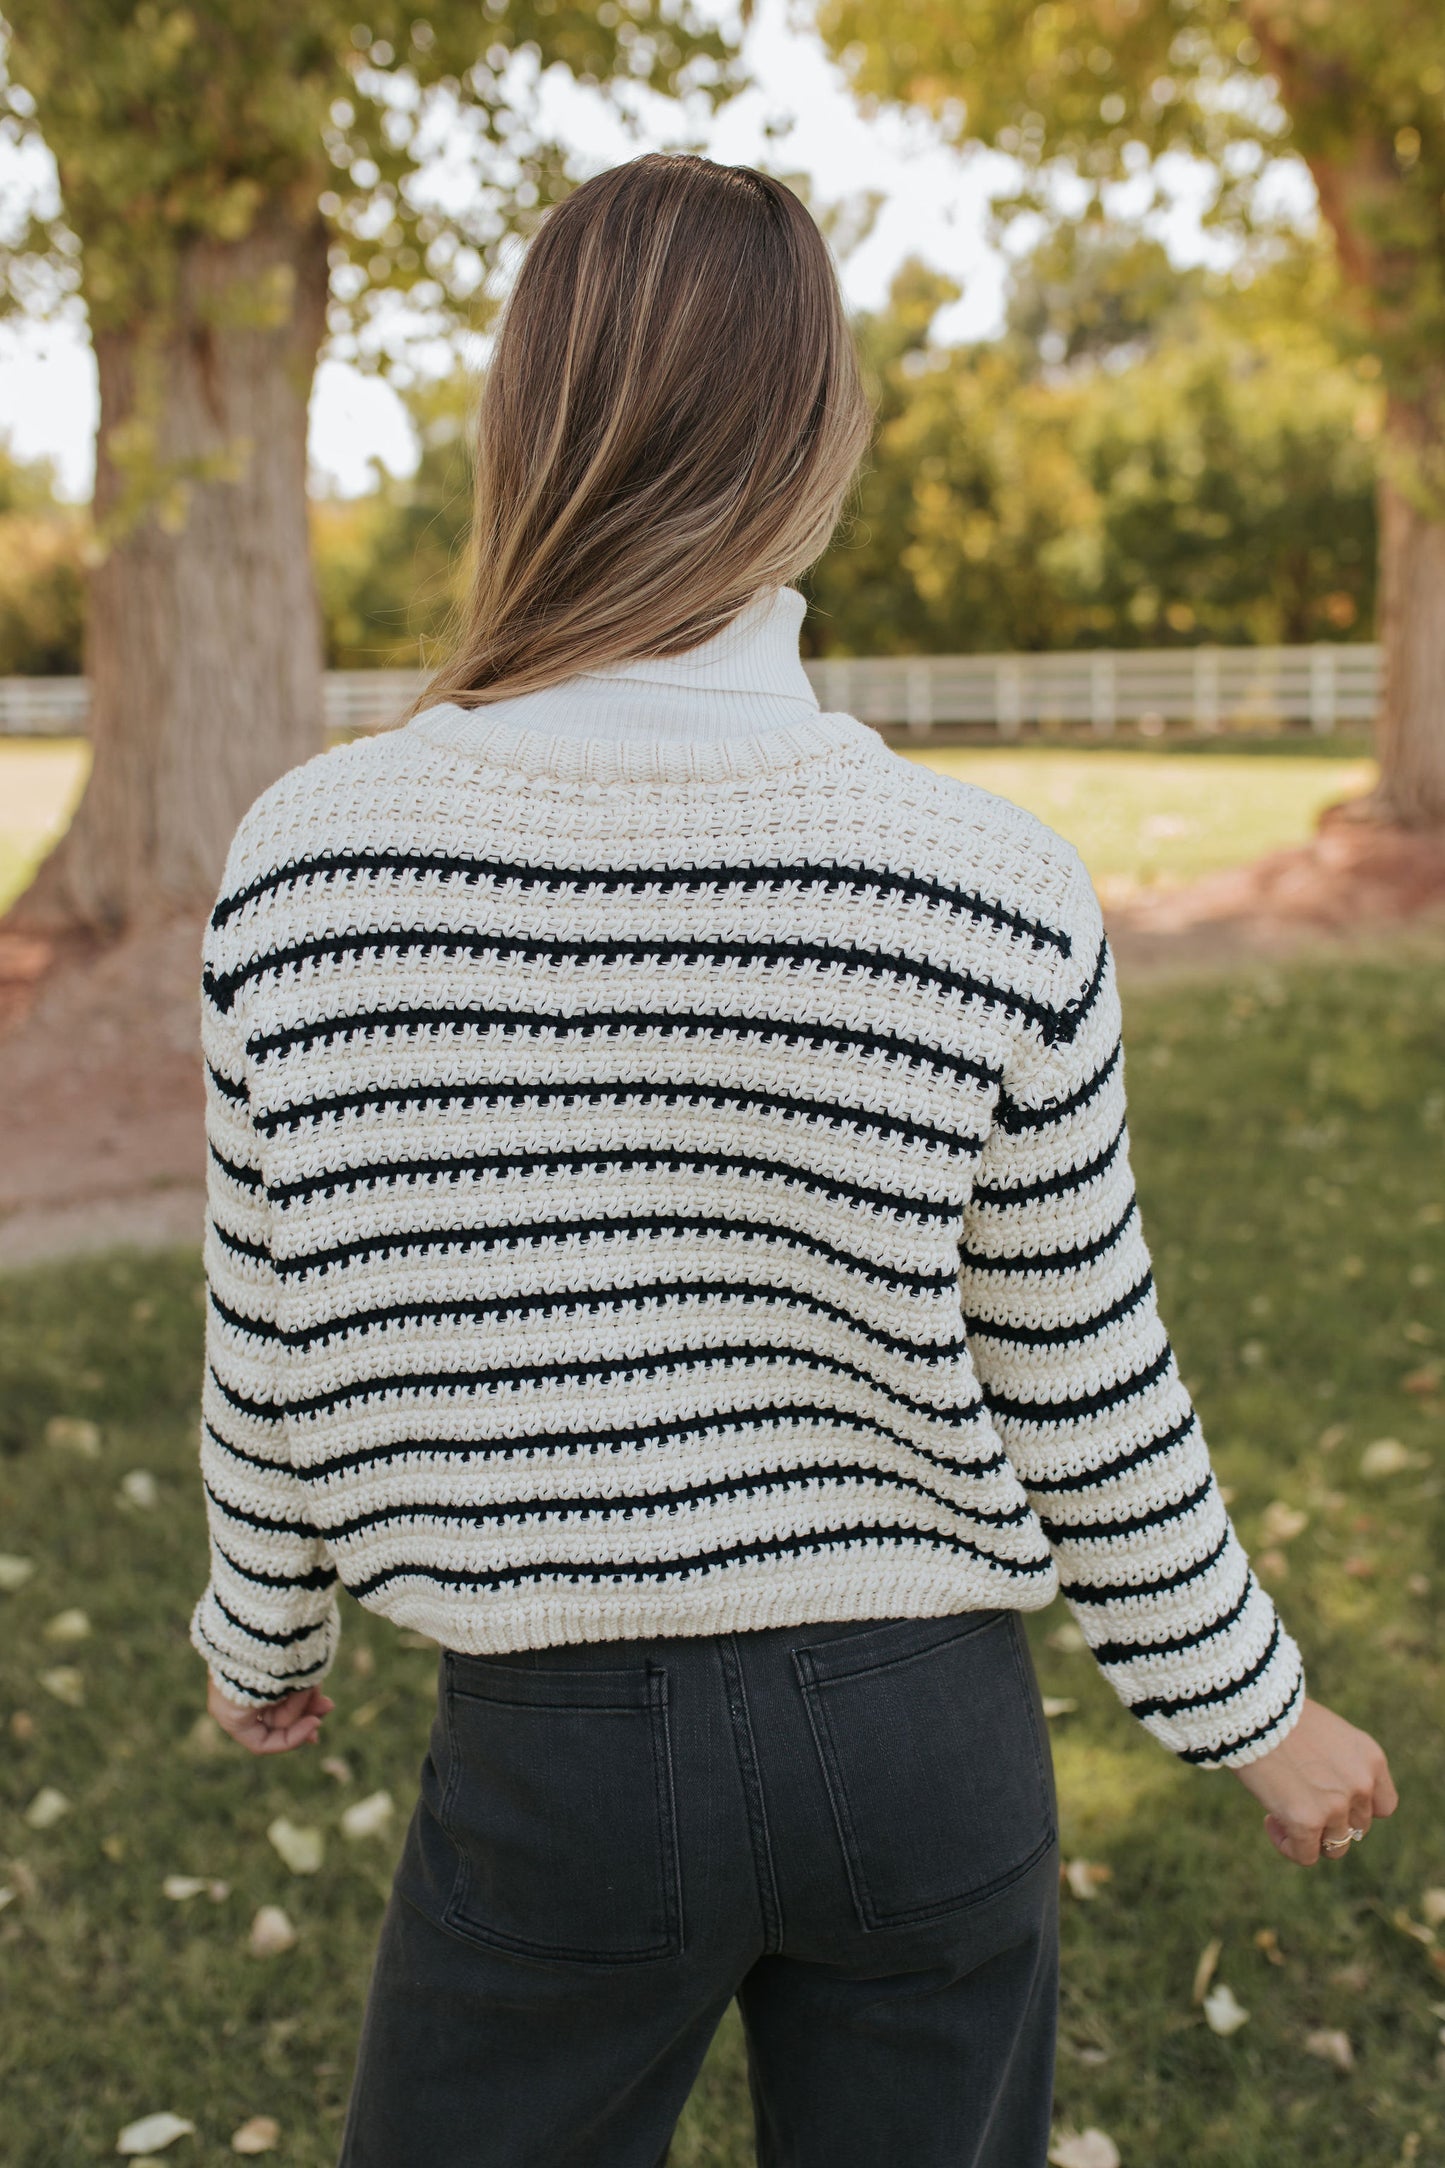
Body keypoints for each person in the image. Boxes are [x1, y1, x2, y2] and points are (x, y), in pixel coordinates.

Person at [189, 152, 1397, 2168]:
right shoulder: (989, 888)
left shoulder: (307, 866)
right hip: (922, 1744)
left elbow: (277, 1321)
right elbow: (1088, 1390)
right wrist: (1257, 1717)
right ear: (815, 446)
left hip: (552, 1762)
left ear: (518, 429)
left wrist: (263, 1631)